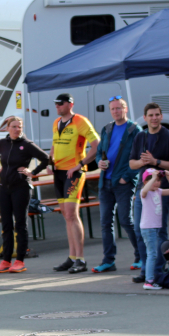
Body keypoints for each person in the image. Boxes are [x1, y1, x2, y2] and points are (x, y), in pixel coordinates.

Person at [0, 115, 48, 274]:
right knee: (6, 224)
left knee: (20, 223)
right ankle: (6, 260)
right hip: (4, 187)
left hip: (21, 187)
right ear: (7, 128)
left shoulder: (27, 144)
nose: (17, 129)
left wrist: (32, 172)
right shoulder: (2, 143)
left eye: (19, 127)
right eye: (13, 126)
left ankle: (20, 260)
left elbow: (46, 158)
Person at [129, 103, 169, 284]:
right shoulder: (140, 136)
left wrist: (156, 162)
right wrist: (143, 162)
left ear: (161, 116)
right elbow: (132, 164)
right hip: (143, 190)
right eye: (151, 115)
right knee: (140, 230)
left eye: (157, 115)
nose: (154, 118)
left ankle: (157, 271)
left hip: (161, 192)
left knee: (159, 231)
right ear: (144, 118)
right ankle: (146, 271)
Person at [48, 93, 100, 274]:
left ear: (70, 104)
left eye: (60, 103)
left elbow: (97, 145)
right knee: (66, 215)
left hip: (74, 172)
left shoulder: (80, 121)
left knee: (71, 214)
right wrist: (50, 162)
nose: (57, 106)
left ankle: (80, 259)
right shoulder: (56, 122)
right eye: (56, 104)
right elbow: (54, 144)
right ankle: (72, 257)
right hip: (59, 172)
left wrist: (81, 164)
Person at [93, 96, 143, 273]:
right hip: (105, 181)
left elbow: (141, 157)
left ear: (125, 109)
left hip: (123, 183)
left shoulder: (135, 130)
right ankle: (108, 261)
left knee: (126, 220)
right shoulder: (107, 128)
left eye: (119, 108)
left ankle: (141, 256)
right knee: (105, 223)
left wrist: (126, 177)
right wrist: (99, 162)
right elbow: (99, 152)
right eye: (113, 109)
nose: (116, 111)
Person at [138, 168, 169, 290]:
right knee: (152, 254)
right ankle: (149, 281)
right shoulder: (144, 192)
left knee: (153, 253)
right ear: (145, 182)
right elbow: (144, 190)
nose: (156, 183)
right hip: (148, 228)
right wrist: (153, 177)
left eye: (158, 180)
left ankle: (150, 279)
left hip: (154, 227)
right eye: (153, 180)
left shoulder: (158, 191)